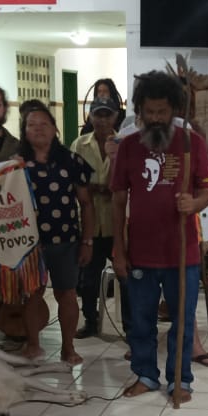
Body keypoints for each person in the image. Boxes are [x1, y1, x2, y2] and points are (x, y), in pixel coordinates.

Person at [112, 71, 208, 402]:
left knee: (182, 321)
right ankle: (146, 374)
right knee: (141, 321)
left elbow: (207, 192)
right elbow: (118, 201)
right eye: (149, 112)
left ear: (174, 110)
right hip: (141, 252)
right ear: (139, 111)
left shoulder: (191, 143)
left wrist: (194, 203)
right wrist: (118, 248)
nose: (156, 118)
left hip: (182, 253)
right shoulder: (128, 147)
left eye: (162, 111)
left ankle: (179, 379)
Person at [18, 103, 95, 364]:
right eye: (32, 125)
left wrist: (87, 241)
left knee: (67, 294)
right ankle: (32, 344)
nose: (38, 129)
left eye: (44, 124)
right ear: (24, 131)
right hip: (29, 244)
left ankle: (68, 347)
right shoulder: (16, 165)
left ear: (54, 129)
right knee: (32, 295)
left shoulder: (71, 161)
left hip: (67, 241)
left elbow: (86, 204)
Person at [72, 95, 126, 339]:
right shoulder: (79, 145)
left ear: (115, 117)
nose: (103, 120)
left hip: (117, 226)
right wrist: (93, 189)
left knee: (125, 277)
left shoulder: (124, 144)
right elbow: (72, 181)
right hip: (90, 226)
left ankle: (130, 327)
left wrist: (104, 188)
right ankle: (90, 322)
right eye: (98, 115)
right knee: (88, 279)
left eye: (107, 115)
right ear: (90, 117)